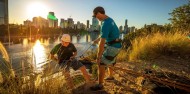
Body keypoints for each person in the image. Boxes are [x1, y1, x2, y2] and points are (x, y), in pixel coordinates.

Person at [90, 6, 122, 91]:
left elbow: (102, 42)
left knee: (101, 63)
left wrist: (99, 56)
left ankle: (100, 85)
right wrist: (97, 40)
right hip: (117, 46)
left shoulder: (105, 24)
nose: (96, 18)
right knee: (112, 61)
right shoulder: (110, 20)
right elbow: (104, 35)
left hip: (112, 47)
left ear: (99, 13)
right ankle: (111, 76)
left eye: (96, 16)